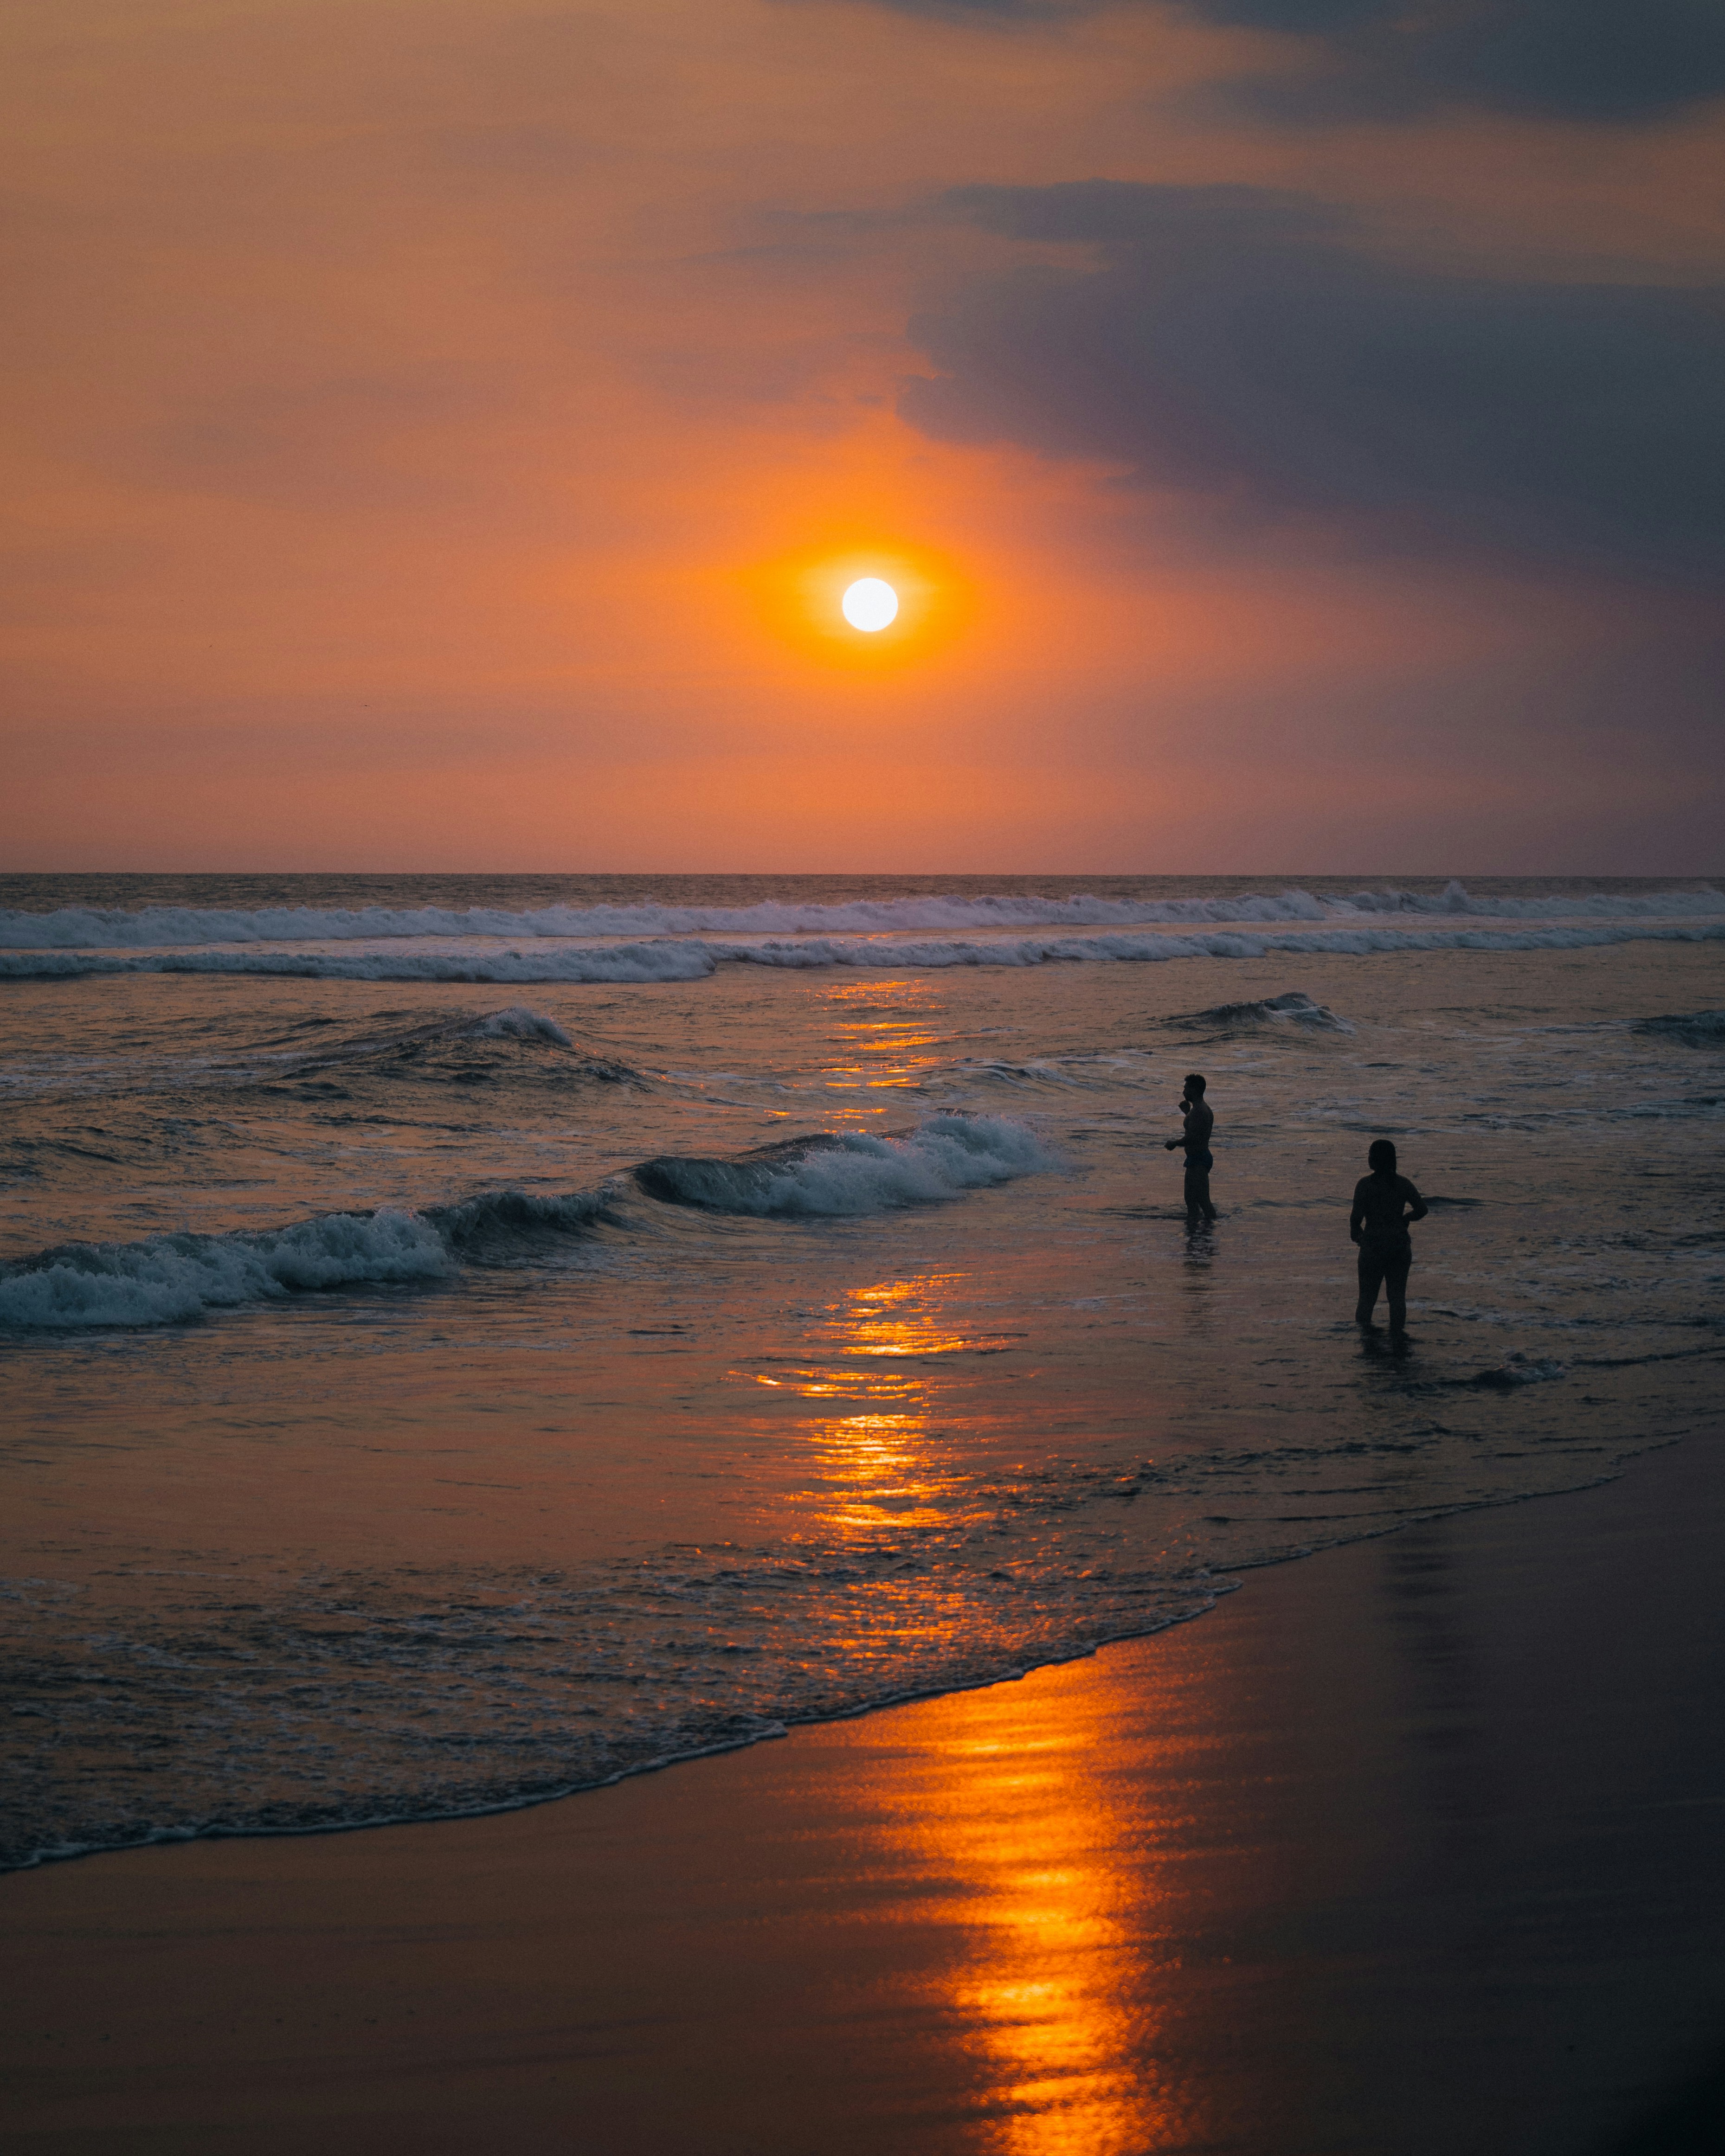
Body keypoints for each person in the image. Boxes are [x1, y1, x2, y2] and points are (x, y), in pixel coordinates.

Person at [1350, 1138, 1428, 1332]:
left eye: (1370, 1154)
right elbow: (1422, 1209)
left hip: (1373, 1247)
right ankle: (1398, 1340)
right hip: (1398, 1245)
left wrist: (1359, 1237)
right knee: (1397, 1299)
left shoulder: (1365, 1185)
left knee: (1366, 1301)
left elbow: (1355, 1221)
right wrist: (1405, 1219)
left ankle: (1366, 1342)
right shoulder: (1403, 1184)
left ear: (1374, 1160)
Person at [1164, 1072, 1217, 1222]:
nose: (1184, 1091)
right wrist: (1187, 1113)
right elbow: (1195, 1130)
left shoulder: (1200, 1111)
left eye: (1186, 1088)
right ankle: (1195, 1231)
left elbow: (1193, 1137)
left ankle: (1210, 1231)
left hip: (1199, 1159)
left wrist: (1174, 1144)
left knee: (1202, 1200)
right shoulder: (1197, 1110)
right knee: (1191, 1199)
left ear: (1195, 1090)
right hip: (1196, 1158)